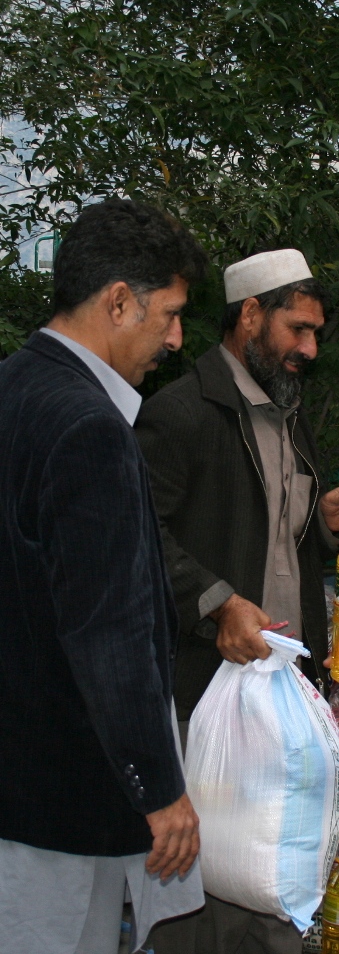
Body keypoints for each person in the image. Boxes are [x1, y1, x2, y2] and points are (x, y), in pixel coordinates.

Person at [136, 248, 339, 954]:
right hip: (204, 688)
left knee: (275, 861)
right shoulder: (179, 412)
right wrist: (213, 601)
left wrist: (323, 527)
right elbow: (139, 533)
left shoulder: (286, 411)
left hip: (281, 687)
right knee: (199, 875)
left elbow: (278, 537)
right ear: (249, 315)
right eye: (297, 329)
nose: (309, 348)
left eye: (316, 333)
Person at [0, 197, 209, 954]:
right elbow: (108, 630)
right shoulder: (88, 426)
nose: (177, 340)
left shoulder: (14, 389)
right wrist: (158, 790)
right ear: (119, 301)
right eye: (171, 315)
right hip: (61, 801)